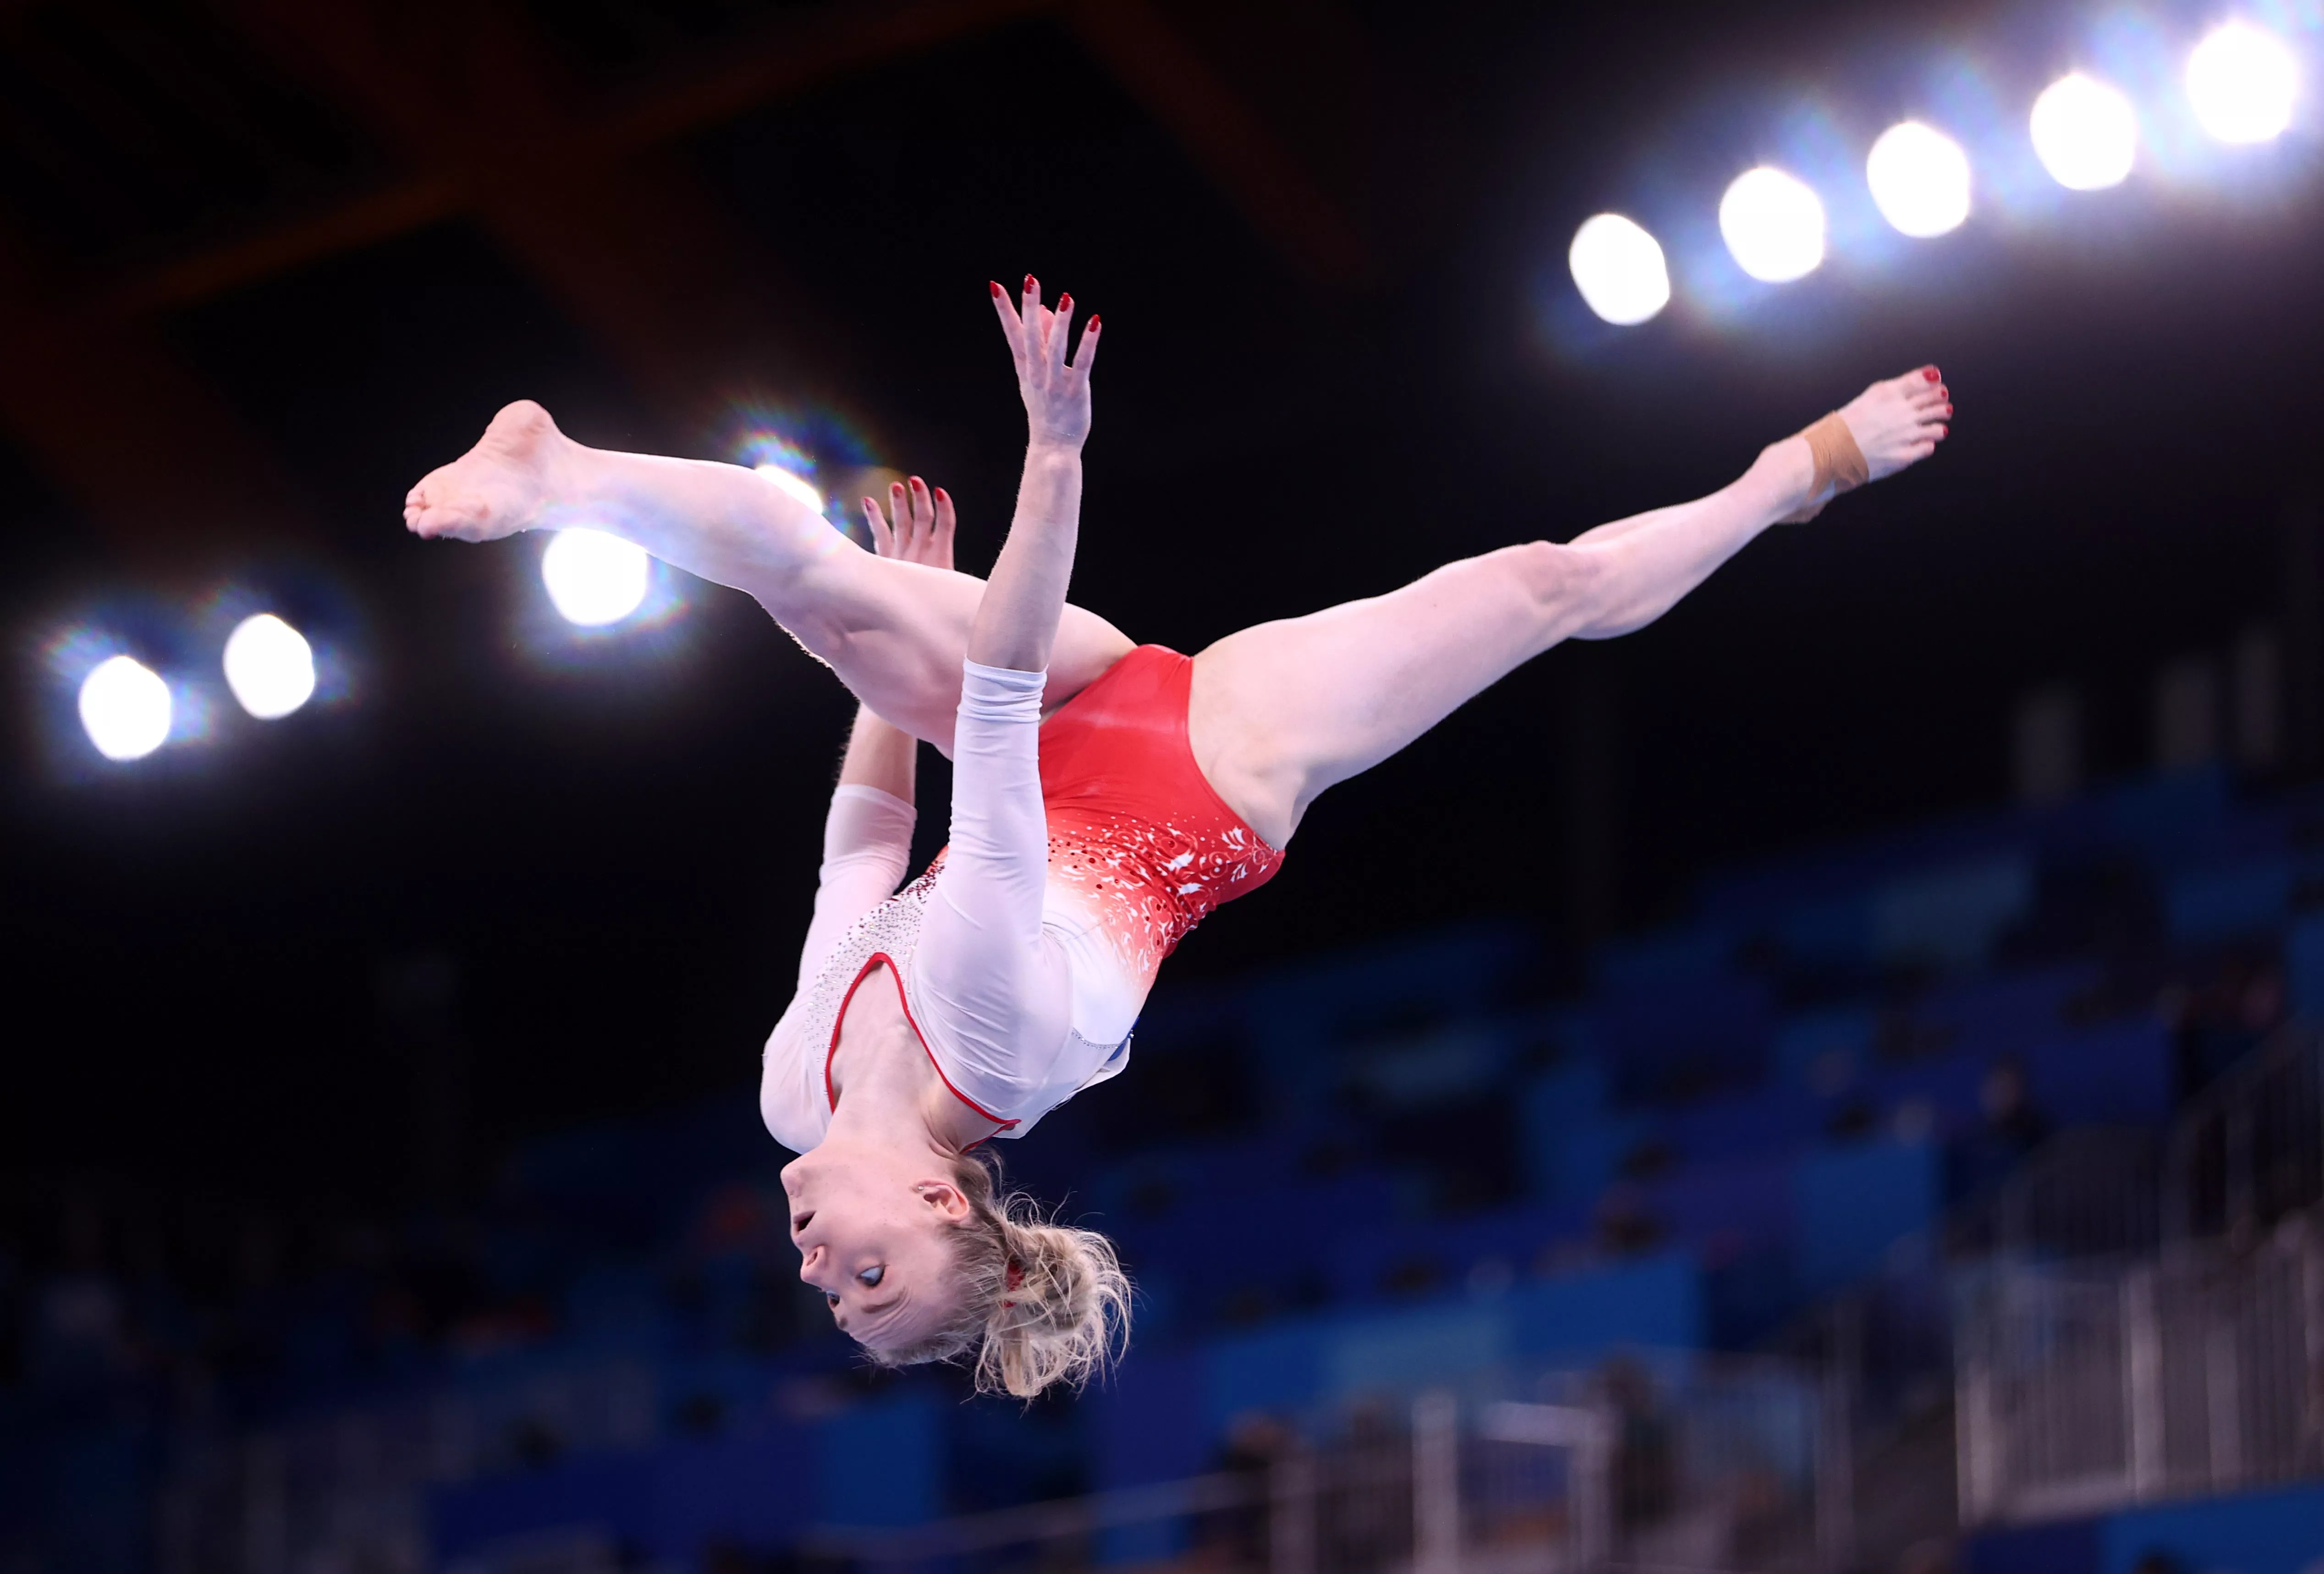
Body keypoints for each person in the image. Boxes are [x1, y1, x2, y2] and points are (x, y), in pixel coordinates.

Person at [403, 276, 1953, 1396]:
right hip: (1210, 770)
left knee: (819, 589)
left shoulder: (792, 1099)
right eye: (871, 1280)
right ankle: (1788, 477)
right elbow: (994, 714)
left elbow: (864, 845)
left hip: (1043, 721)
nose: (818, 1269)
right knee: (1548, 589)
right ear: (948, 1206)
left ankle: (562, 478)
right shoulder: (1001, 1054)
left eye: (832, 1300)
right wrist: (1056, 454)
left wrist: (882, 640)